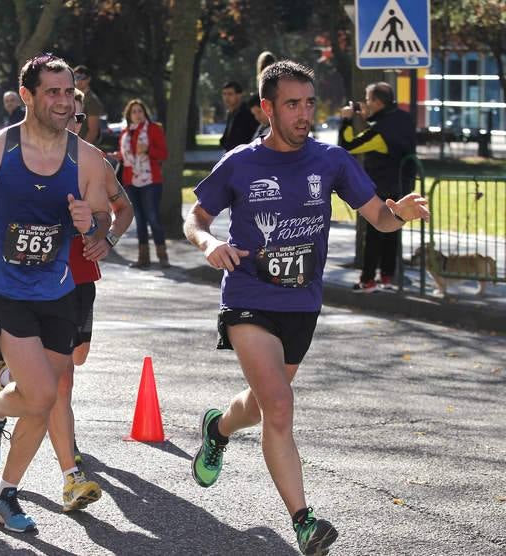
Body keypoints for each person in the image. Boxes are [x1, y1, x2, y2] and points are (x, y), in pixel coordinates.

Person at [184, 60, 429, 556]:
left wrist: (398, 213)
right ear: (268, 108)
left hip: (302, 303)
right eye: (292, 104)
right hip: (248, 296)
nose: (304, 114)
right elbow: (197, 215)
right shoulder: (240, 162)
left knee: (261, 405)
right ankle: (304, 521)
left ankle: (218, 427)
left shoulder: (331, 160)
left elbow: (378, 217)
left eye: (309, 103)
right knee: (279, 404)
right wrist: (208, 242)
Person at [0, 54, 110, 533]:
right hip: (4, 285)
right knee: (43, 391)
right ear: (27, 96)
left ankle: (3, 493)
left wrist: (94, 229)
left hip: (57, 287)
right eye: (52, 92)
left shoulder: (86, 158)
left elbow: (106, 210)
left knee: (41, 399)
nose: (63, 101)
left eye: (69, 92)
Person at [0, 88, 134, 490]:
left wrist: (107, 238)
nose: (73, 122)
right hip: (32, 282)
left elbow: (123, 208)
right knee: (55, 384)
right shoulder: (26, 156)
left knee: (74, 362)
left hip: (80, 279)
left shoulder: (93, 163)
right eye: (69, 115)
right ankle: (70, 471)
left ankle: (11, 379)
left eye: (80, 118)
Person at [338, 82, 418, 292]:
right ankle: (388, 276)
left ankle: (368, 279)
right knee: (393, 232)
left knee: (374, 233)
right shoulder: (404, 118)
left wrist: (347, 120)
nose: (365, 103)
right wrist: (368, 118)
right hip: (403, 185)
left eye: (368, 99)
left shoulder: (379, 132)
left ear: (378, 102)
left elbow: (348, 146)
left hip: (381, 187)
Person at [118, 99, 169, 269]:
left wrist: (147, 149)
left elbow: (163, 154)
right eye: (134, 112)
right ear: (129, 115)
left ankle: (163, 257)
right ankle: (143, 257)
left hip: (150, 180)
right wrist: (114, 155)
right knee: (139, 219)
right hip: (131, 181)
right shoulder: (126, 132)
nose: (137, 115)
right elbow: (127, 156)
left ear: (144, 113)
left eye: (140, 111)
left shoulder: (154, 129)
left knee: (153, 217)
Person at [219, 81, 257, 151]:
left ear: (239, 95)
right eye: (224, 94)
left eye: (230, 94)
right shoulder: (231, 113)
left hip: (244, 155)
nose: (226, 97)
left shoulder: (249, 113)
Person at [73, 65, 104, 146]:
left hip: (82, 150)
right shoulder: (72, 98)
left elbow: (93, 131)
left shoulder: (92, 101)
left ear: (88, 79)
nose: (78, 81)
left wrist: (81, 149)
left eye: (82, 77)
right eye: (75, 77)